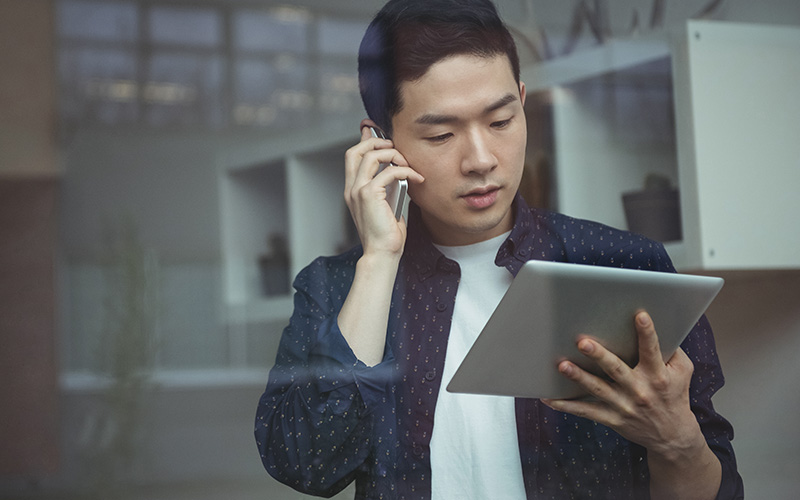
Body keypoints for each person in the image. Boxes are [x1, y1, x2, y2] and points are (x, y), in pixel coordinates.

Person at [255, 0, 744, 498]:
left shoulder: (622, 264)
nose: (482, 160)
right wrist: (378, 259)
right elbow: (309, 467)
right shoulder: (335, 287)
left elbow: (721, 490)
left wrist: (676, 442)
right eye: (442, 134)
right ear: (381, 140)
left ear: (523, 102)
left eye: (501, 121)